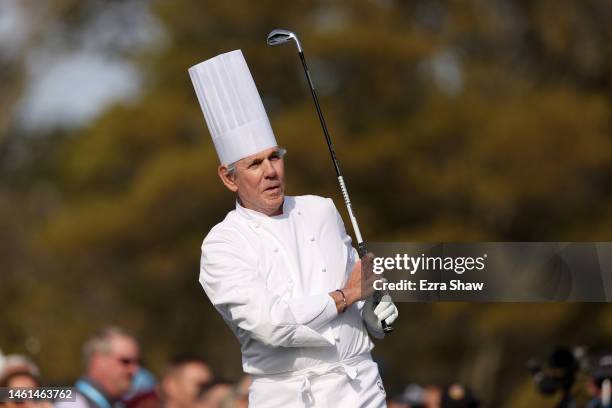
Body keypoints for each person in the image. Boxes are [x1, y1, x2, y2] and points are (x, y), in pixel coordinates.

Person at [188, 49, 399, 407]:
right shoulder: (222, 244)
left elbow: (360, 301)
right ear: (228, 178)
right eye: (254, 164)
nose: (271, 171)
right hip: (286, 396)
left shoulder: (321, 210)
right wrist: (346, 296)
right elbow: (272, 325)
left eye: (275, 157)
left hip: (359, 387)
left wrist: (376, 312)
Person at [56, 327, 140, 408]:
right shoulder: (71, 404)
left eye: (137, 362)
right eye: (125, 361)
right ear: (98, 361)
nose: (134, 370)